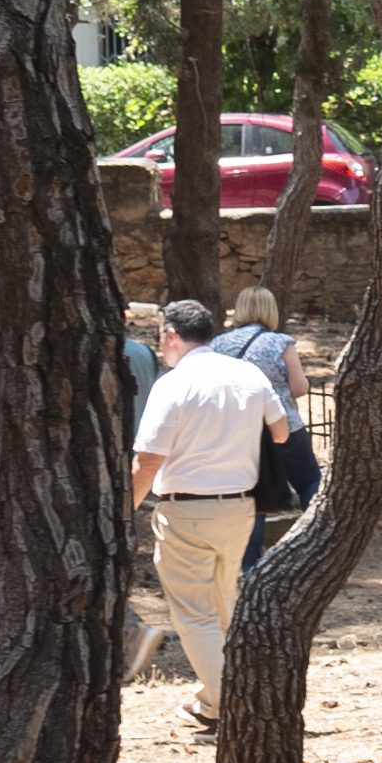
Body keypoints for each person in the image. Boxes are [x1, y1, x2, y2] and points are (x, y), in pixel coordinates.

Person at [126, 295, 290, 719]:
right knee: (223, 607)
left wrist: (123, 508)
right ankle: (222, 696)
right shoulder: (247, 374)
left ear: (170, 335)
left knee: (196, 615)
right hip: (240, 509)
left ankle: (226, 705)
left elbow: (148, 459)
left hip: (187, 510)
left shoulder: (174, 383)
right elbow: (282, 432)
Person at [225, 284, 318, 566]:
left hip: (239, 431)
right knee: (309, 481)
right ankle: (315, 546)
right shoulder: (280, 343)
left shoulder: (219, 344)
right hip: (283, 426)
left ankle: (248, 564)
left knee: (251, 496)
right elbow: (299, 387)